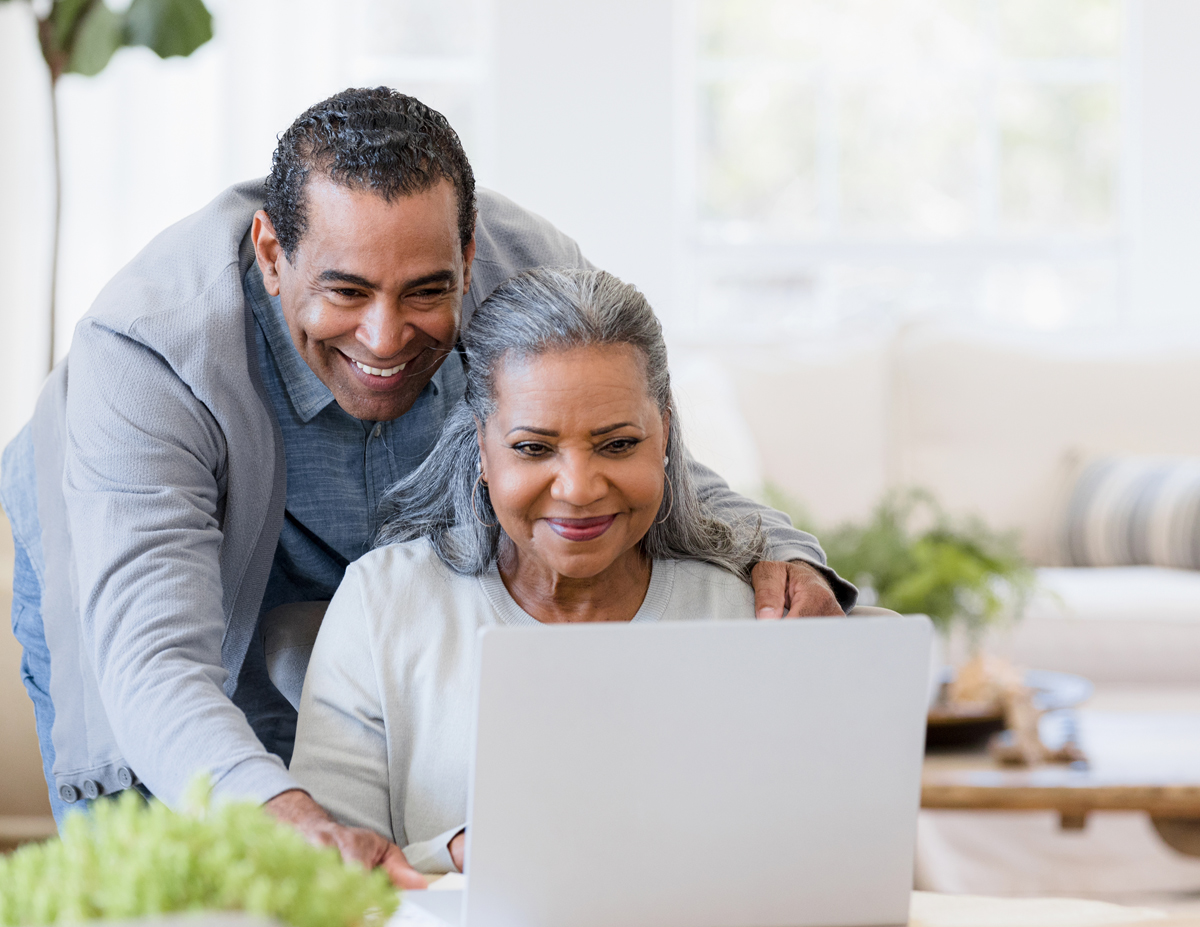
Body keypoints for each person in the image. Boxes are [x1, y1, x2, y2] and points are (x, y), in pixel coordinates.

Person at [0, 88, 854, 886]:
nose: (385, 335)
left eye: (426, 291)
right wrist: (280, 810)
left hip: (383, 551)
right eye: (346, 290)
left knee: (348, 834)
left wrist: (777, 547)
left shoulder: (528, 268)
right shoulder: (148, 350)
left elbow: (621, 442)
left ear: (470, 254)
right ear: (271, 252)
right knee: (202, 842)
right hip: (169, 565)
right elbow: (155, 665)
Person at [290, 267, 768, 875]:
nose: (578, 489)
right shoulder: (384, 604)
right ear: (481, 449)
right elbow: (330, 876)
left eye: (618, 444)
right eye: (533, 448)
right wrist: (458, 854)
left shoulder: (746, 615)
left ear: (666, 435)